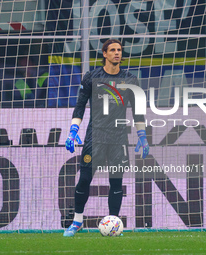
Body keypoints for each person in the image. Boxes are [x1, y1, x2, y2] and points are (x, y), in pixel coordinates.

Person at [63, 39, 149, 237]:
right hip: (95, 136)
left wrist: (142, 136)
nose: (117, 53)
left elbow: (138, 112)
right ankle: (77, 221)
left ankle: (114, 223)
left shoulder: (130, 80)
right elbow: (80, 106)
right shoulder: (92, 77)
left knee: (116, 182)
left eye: (119, 50)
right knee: (84, 178)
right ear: (104, 53)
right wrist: (72, 131)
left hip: (119, 137)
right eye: (112, 50)